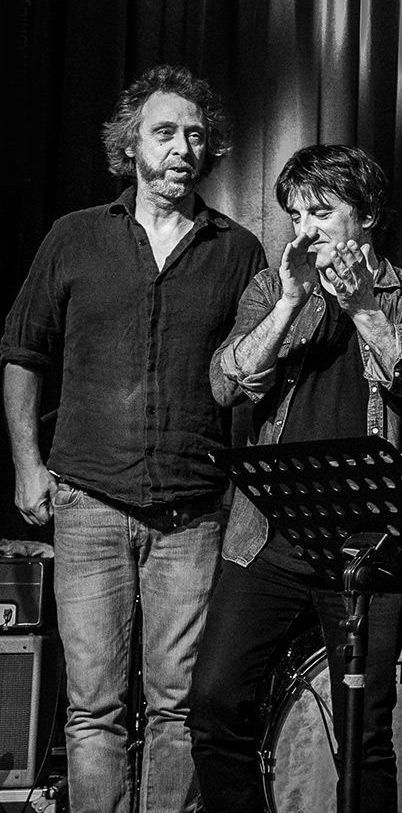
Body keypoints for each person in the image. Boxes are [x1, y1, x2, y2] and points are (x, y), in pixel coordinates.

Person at [2, 66, 267, 813]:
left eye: (195, 135)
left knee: (178, 709)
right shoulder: (75, 236)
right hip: (88, 501)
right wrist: (27, 466)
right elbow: (22, 352)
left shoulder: (237, 250)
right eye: (165, 132)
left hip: (193, 511)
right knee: (94, 711)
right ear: (131, 145)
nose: (183, 147)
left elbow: (254, 379)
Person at [186, 144, 402, 813]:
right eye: (295, 215)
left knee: (365, 734)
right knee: (215, 703)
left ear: (366, 216)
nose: (303, 231)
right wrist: (290, 301)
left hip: (369, 548)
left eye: (321, 213)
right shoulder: (269, 288)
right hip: (270, 538)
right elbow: (225, 384)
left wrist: (364, 309)